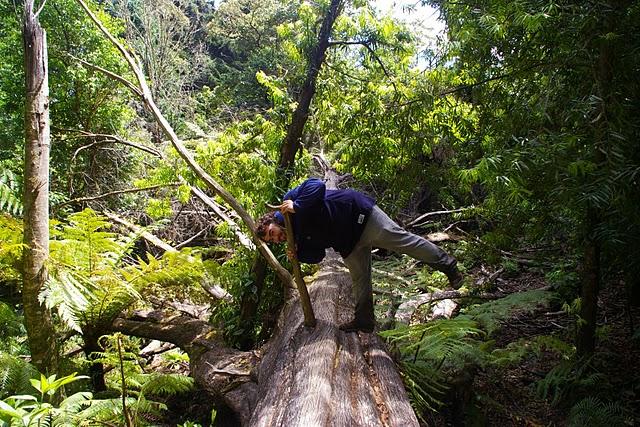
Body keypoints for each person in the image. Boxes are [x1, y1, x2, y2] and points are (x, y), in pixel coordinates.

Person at [256, 178, 463, 333]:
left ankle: (447, 265)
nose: (277, 238)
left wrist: (296, 206)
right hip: (348, 243)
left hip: (361, 217)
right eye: (272, 241)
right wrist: (299, 254)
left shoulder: (287, 202)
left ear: (272, 222)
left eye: (272, 233)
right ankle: (364, 321)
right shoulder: (296, 237)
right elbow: (318, 255)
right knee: (360, 279)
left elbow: (317, 186)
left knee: (404, 242)